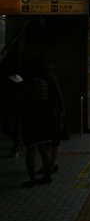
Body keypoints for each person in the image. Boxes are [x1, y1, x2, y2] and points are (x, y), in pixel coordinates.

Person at [21, 59, 54, 187]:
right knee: (43, 149)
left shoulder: (23, 85)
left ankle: (32, 178)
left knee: (30, 150)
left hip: (29, 119)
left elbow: (21, 101)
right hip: (43, 118)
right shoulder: (43, 84)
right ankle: (47, 175)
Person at [34, 59, 65, 175]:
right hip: (54, 112)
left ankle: (49, 164)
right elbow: (58, 93)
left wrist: (61, 110)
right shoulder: (49, 77)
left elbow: (56, 93)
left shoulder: (43, 79)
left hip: (50, 114)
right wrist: (62, 110)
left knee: (48, 140)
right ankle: (53, 163)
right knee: (54, 140)